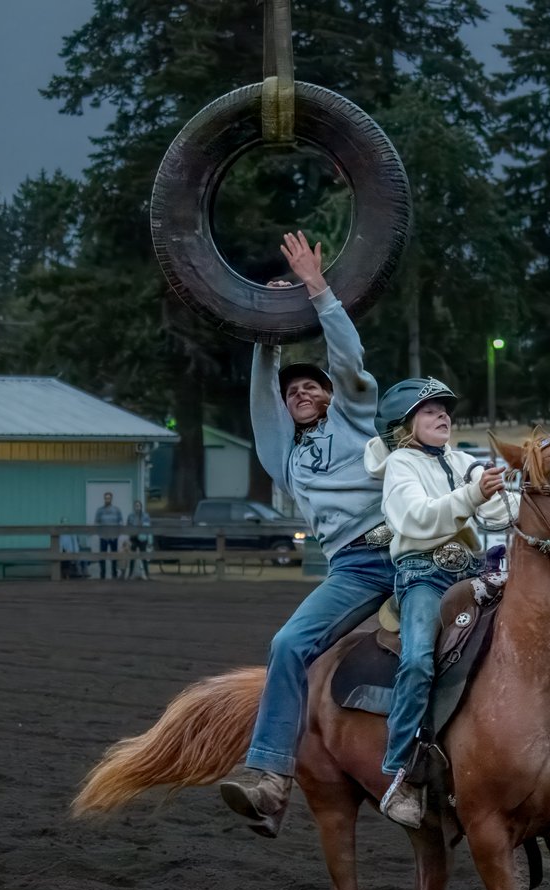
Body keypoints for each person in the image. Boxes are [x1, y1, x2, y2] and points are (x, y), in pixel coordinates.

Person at [218, 231, 398, 839]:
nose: (302, 392)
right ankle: (268, 780)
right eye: (292, 389)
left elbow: (347, 359)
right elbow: (259, 400)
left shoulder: (353, 416)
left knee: (509, 613)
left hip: (414, 546)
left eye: (311, 385)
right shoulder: (284, 457)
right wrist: (265, 330)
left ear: (330, 395)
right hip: (353, 567)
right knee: (289, 644)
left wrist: (316, 289)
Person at [363, 377, 517, 827]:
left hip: (471, 573)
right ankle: (400, 773)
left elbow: (499, 515)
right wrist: (474, 493)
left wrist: (498, 491)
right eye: (430, 410)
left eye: (445, 409)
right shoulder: (401, 466)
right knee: (417, 661)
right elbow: (413, 519)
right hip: (422, 576)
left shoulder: (463, 459)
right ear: (405, 426)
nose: (443, 415)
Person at [94, 492, 122, 580]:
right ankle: (102, 574)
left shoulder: (117, 510)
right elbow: (96, 522)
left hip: (114, 537)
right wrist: (99, 532)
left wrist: (118, 532)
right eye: (106, 498)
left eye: (109, 498)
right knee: (102, 556)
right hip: (103, 537)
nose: (107, 500)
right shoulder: (100, 510)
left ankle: (114, 574)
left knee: (114, 556)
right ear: (104, 499)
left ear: (111, 499)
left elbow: (120, 521)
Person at [125, 500, 152, 580]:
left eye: (139, 506)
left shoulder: (146, 516)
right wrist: (128, 537)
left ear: (141, 507)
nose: (137, 507)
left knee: (144, 557)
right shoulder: (130, 516)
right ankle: (130, 575)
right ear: (134, 507)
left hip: (143, 538)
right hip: (133, 538)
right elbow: (127, 527)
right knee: (132, 557)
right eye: (136, 506)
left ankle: (147, 575)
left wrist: (149, 540)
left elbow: (148, 528)